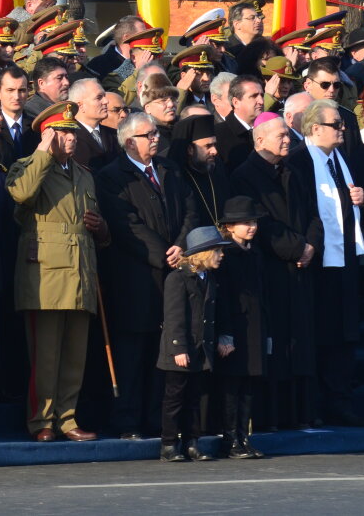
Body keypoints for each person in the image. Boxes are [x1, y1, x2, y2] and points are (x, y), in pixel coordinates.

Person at [6, 102, 107, 442]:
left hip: (80, 272)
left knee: (74, 355)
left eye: (73, 132)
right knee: (45, 356)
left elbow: (97, 228)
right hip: (45, 275)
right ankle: (42, 421)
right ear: (48, 134)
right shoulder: (28, 166)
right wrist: (41, 153)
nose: (71, 138)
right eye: (63, 133)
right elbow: (22, 193)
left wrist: (101, 227)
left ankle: (67, 417)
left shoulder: (84, 174)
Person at [96, 111, 193, 440]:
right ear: (128, 141)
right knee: (133, 354)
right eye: (148, 134)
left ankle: (157, 419)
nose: (156, 138)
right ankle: (128, 422)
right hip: (134, 280)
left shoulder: (170, 169)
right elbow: (126, 225)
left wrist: (181, 245)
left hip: (173, 275)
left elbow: (190, 209)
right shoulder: (111, 176)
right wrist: (164, 255)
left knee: (162, 351)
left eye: (155, 133)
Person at [286, 99, 364, 427]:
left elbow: (344, 201)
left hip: (345, 259)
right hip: (317, 262)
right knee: (321, 332)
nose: (343, 129)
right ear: (315, 128)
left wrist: (359, 199)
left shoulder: (339, 158)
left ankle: (340, 399)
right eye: (336, 124)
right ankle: (318, 402)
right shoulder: (299, 161)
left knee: (345, 333)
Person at [231, 116, 317, 431]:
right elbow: (259, 224)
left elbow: (313, 214)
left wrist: (311, 246)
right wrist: (298, 249)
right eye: (281, 135)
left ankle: (299, 414)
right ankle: (272, 416)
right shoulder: (245, 176)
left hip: (300, 271)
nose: (287, 140)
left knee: (299, 343)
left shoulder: (294, 171)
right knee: (277, 345)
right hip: (270, 271)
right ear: (260, 139)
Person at [158, 226, 226, 463]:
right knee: (175, 398)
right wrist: (178, 348)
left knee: (196, 398)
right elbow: (174, 316)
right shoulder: (178, 278)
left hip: (200, 348)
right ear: (205, 252)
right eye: (217, 251)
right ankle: (168, 445)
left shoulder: (210, 279)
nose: (221, 255)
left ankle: (191, 442)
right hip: (181, 350)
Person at [215, 196, 268, 459]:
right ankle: (229, 438)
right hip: (234, 327)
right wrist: (225, 333)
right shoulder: (225, 254)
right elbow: (223, 298)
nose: (252, 227)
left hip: (254, 327)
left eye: (254, 222)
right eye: (246, 223)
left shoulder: (255, 252)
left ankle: (243, 437)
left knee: (248, 383)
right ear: (230, 226)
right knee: (231, 384)